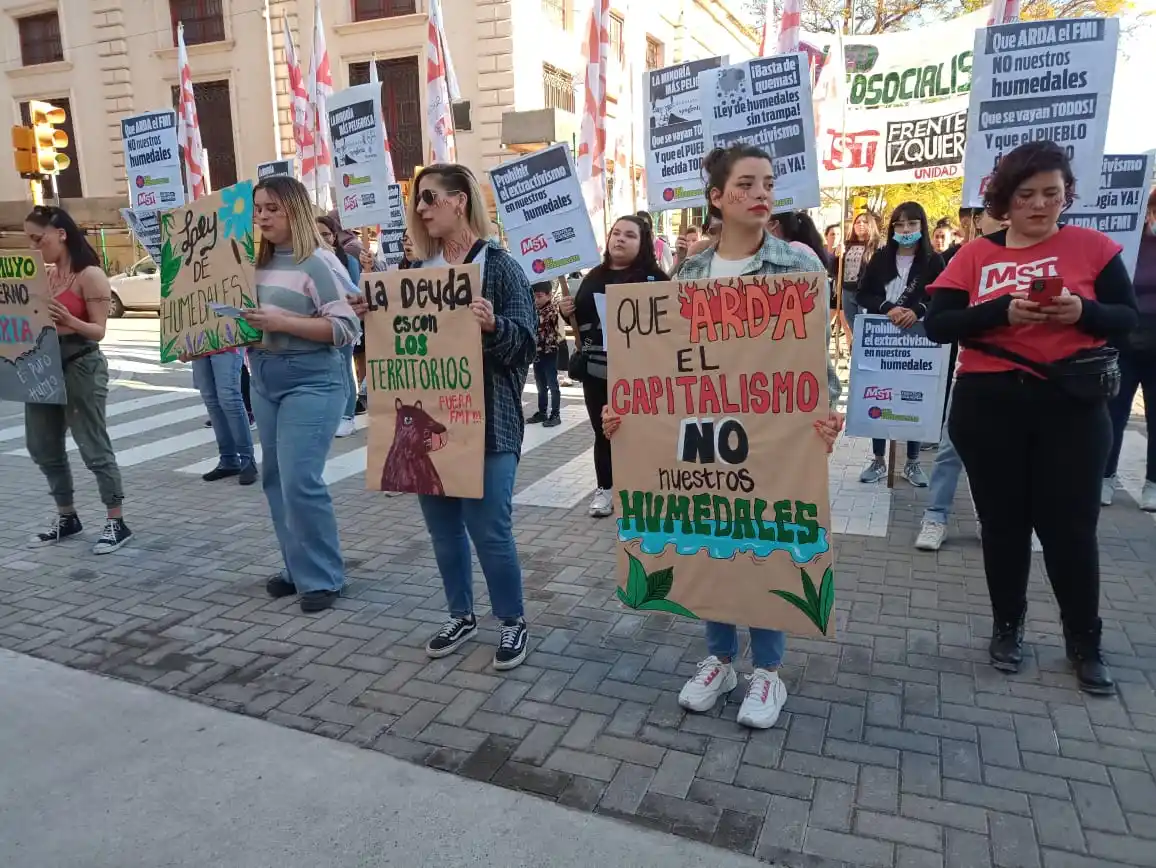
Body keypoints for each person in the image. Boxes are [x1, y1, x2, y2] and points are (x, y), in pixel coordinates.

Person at [602, 143, 843, 729]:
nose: (761, 194)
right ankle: (719, 658)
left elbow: (812, 363)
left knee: (764, 539)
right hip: (701, 429)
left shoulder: (800, 268)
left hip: (769, 434)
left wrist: (826, 411)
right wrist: (625, 413)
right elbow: (664, 365)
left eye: (768, 183)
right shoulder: (689, 273)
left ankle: (768, 671)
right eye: (746, 185)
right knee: (705, 531)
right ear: (717, 198)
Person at [925, 140, 1137, 695]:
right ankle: (1007, 628)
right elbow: (939, 325)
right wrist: (1001, 310)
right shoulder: (973, 255)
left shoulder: (1093, 247)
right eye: (1027, 195)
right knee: (1002, 525)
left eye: (1052, 193)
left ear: (1067, 193)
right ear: (1004, 199)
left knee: (1071, 529)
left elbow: (1127, 320)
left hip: (1070, 407)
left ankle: (1084, 642)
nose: (1041, 205)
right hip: (989, 405)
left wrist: (1081, 311)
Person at [383, 162, 537, 670]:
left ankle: (511, 620)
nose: (421, 209)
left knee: (489, 528)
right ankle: (460, 614)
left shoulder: (501, 268)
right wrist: (373, 315)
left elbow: (528, 344)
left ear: (460, 201)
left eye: (430, 198)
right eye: (418, 201)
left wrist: (495, 328)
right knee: (442, 530)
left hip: (490, 423)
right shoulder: (415, 274)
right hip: (432, 423)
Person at [246, 176, 362, 614]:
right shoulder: (252, 262)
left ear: (294, 209)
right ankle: (298, 567)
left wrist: (283, 323)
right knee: (275, 479)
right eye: (258, 208)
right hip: (263, 376)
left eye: (272, 208)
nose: (263, 216)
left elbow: (345, 328)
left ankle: (325, 577)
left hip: (312, 380)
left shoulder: (319, 262)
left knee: (299, 480)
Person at [23, 205, 133, 554]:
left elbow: (98, 331)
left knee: (92, 444)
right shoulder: (45, 275)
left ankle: (116, 519)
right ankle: (66, 515)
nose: (34, 246)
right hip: (43, 365)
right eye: (29, 240)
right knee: (41, 444)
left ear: (61, 234)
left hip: (81, 364)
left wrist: (70, 319)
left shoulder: (90, 275)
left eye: (38, 238)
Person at [560, 216, 669, 518]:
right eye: (616, 233)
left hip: (641, 372)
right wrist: (564, 309)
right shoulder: (594, 275)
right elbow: (580, 321)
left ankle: (644, 489)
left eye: (629, 235)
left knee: (641, 431)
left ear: (643, 242)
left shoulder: (655, 279)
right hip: (597, 372)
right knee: (603, 431)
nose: (619, 239)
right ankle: (605, 489)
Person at [915, 209, 1010, 552]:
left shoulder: (1049, 257)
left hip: (1031, 382)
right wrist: (999, 312)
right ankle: (935, 516)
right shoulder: (965, 257)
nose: (1004, 221)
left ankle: (992, 519)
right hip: (973, 375)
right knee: (950, 449)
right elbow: (940, 324)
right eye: (994, 213)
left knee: (1004, 455)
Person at [856, 201, 944, 487]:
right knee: (878, 396)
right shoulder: (881, 258)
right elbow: (863, 295)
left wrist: (916, 311)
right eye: (900, 224)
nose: (905, 230)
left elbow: (941, 298)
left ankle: (913, 462)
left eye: (912, 224)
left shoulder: (934, 261)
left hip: (918, 341)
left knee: (915, 395)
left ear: (922, 227)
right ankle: (879, 459)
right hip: (882, 339)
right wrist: (886, 308)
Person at [1103, 187, 1156, 511]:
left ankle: (1152, 484)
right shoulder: (1131, 244)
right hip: (1127, 337)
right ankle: (1105, 477)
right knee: (1115, 410)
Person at [317, 215, 362, 438]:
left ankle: (347, 416)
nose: (321, 239)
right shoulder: (309, 262)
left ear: (334, 237)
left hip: (343, 325)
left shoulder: (348, 261)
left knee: (344, 369)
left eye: (325, 234)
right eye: (316, 235)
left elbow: (357, 294)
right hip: (319, 325)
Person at [837, 211, 881, 342]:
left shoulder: (878, 245)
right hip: (847, 291)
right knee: (853, 327)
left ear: (871, 225)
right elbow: (835, 269)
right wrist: (838, 255)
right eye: (857, 222)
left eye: (864, 221)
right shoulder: (847, 244)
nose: (860, 224)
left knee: (866, 328)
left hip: (866, 292)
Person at [527, 280, 562, 427]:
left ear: (548, 295)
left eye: (539, 296)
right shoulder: (533, 311)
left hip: (550, 352)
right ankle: (542, 412)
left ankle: (555, 414)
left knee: (552, 384)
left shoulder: (553, 311)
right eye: (533, 297)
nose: (536, 300)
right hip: (537, 353)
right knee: (540, 384)